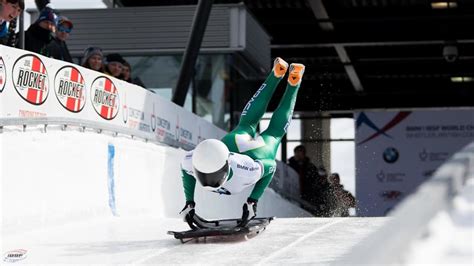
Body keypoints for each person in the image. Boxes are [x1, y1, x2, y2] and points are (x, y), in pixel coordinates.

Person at [179, 57, 305, 227]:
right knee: (247, 124)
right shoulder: (191, 159)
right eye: (203, 175)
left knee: (273, 133)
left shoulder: (246, 169)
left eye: (212, 177)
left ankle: (293, 81)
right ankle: (278, 74)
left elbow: (271, 166)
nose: (209, 182)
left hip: (256, 153)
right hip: (233, 145)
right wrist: (189, 202)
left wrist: (253, 200)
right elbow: (186, 169)